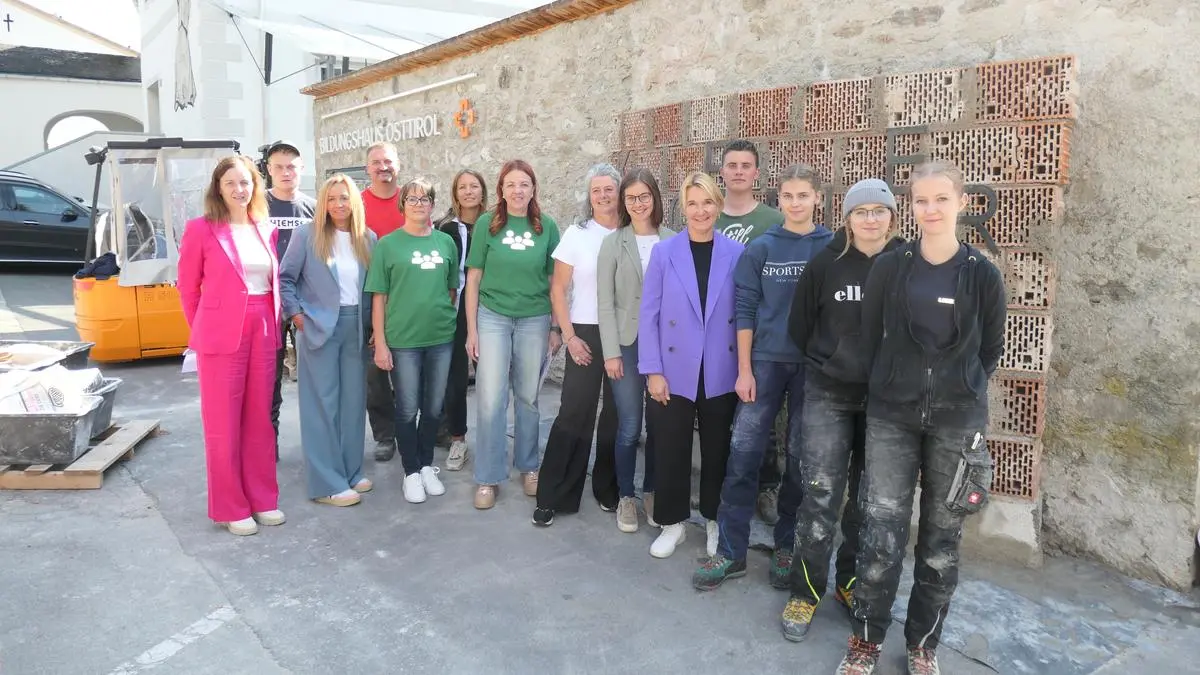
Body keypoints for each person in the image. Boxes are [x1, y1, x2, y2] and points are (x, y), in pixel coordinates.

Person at [836, 161, 1006, 675]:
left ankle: (922, 644)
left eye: (941, 200)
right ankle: (865, 641)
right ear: (910, 207)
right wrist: (893, 384)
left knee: (939, 542)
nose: (930, 210)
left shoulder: (982, 274)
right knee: (881, 533)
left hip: (957, 422)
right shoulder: (891, 267)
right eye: (921, 201)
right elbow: (870, 335)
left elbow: (989, 350)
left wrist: (956, 390)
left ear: (961, 202)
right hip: (892, 417)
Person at [693, 164, 833, 591]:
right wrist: (744, 370)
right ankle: (732, 553)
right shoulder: (762, 248)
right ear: (779, 200)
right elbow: (746, 311)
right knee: (743, 455)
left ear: (817, 200)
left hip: (813, 368)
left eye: (803, 196)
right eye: (788, 196)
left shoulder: (831, 248)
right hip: (765, 364)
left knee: (799, 460)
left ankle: (786, 546)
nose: (795, 203)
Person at [777, 178, 903, 641]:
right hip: (830, 395)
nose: (871, 219)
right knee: (821, 495)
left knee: (869, 504)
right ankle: (805, 592)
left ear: (892, 215)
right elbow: (800, 326)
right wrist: (829, 363)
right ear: (847, 217)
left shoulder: (907, 264)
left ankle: (849, 584)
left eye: (879, 210)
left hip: (888, 401)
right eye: (861, 210)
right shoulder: (824, 264)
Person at [177, 155, 283, 536]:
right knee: (223, 423)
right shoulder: (201, 229)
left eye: (246, 182)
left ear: (255, 186)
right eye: (231, 184)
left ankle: (262, 499)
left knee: (259, 418)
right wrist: (206, 330)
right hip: (222, 332)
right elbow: (188, 290)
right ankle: (229, 505)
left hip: (263, 326)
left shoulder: (264, 228)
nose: (240, 190)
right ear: (218, 189)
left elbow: (271, 283)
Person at [639, 171, 741, 559]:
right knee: (670, 447)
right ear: (684, 207)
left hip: (720, 368)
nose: (701, 211)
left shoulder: (736, 253)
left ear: (719, 205)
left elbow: (744, 314)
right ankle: (672, 522)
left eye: (708, 202)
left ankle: (714, 520)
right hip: (673, 367)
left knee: (717, 450)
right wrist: (653, 370)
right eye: (693, 203)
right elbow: (648, 313)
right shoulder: (665, 253)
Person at [464, 160, 561, 510]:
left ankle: (529, 466)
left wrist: (555, 326)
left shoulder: (547, 227)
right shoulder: (488, 224)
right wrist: (472, 330)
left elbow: (555, 283)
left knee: (528, 397)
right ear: (502, 190)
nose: (517, 191)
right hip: (493, 317)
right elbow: (473, 279)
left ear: (533, 189)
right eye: (510, 185)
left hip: (534, 319)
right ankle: (488, 476)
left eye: (524, 184)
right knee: (490, 398)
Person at [531, 163, 622, 527]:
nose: (602, 195)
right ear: (589, 196)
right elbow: (558, 289)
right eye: (596, 190)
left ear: (619, 192)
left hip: (624, 333)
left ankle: (608, 488)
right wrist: (569, 336)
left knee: (617, 415)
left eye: (609, 189)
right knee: (574, 411)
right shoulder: (577, 233)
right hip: (584, 330)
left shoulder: (633, 233)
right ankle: (554, 493)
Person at [279, 174, 375, 508]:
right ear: (323, 202)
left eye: (344, 198)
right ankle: (326, 483)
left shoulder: (368, 238)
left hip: (356, 329)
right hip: (319, 328)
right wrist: (297, 315)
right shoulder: (307, 235)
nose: (338, 204)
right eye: (332, 198)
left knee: (352, 404)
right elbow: (286, 278)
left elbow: (372, 289)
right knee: (322, 405)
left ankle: (350, 472)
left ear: (354, 202)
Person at [366, 178, 457, 503]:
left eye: (425, 199)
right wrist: (381, 344)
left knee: (433, 408)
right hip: (403, 340)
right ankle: (411, 472)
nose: (419, 204)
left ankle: (426, 465)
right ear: (402, 205)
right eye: (413, 199)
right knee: (406, 408)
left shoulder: (446, 243)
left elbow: (450, 289)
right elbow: (379, 296)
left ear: (433, 204)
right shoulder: (388, 245)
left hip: (440, 337)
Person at [714, 139, 789, 527]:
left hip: (757, 332)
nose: (739, 171)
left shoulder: (773, 221)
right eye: (732, 165)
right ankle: (721, 484)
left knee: (760, 417)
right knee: (719, 413)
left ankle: (766, 487)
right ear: (722, 172)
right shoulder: (708, 216)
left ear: (756, 173)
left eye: (746, 165)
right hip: (712, 331)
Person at [597, 169, 673, 533]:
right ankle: (626, 495)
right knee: (629, 426)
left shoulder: (674, 240)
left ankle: (652, 491)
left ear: (655, 198)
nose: (638, 203)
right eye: (631, 198)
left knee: (660, 427)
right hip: (626, 346)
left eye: (644, 196)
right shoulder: (614, 242)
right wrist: (610, 351)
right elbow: (605, 302)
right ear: (623, 203)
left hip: (666, 348)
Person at [264, 141, 316, 463]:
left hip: (305, 305)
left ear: (301, 169)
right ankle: (269, 446)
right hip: (267, 305)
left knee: (313, 378)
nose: (286, 173)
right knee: (270, 381)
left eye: (292, 166)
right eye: (279, 167)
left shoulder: (312, 207)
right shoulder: (257, 206)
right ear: (269, 169)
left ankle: (317, 442)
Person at [436, 169, 486, 472]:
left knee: (490, 376)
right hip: (454, 311)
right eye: (462, 187)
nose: (469, 192)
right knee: (454, 378)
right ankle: (457, 438)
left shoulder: (494, 223)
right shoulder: (444, 228)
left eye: (474, 186)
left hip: (488, 308)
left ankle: (493, 438)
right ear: (455, 193)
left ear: (483, 191)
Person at [361, 142, 404, 461]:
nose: (382, 167)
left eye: (387, 161)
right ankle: (384, 435)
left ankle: (413, 429)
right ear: (367, 169)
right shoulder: (358, 204)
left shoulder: (410, 200)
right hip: (367, 296)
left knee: (411, 369)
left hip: (406, 296)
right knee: (375, 373)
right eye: (376, 162)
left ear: (398, 166)